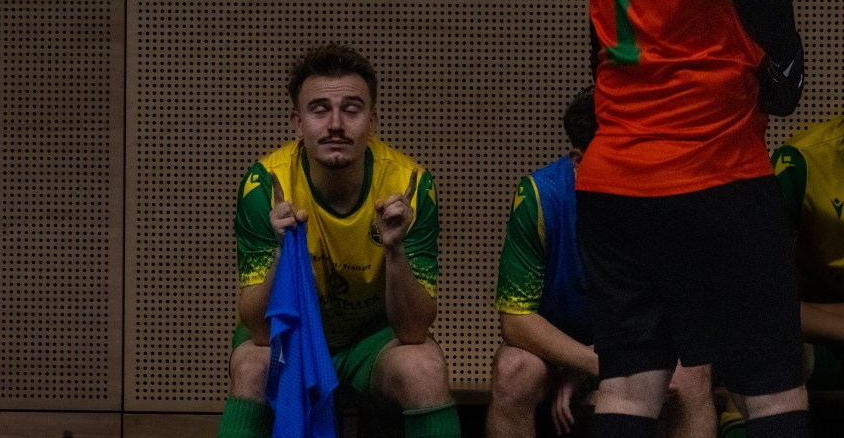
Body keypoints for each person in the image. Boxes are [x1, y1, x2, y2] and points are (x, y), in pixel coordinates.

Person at [578, 0, 810, 436]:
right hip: (716, 172)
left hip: (614, 185)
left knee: (628, 388)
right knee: (771, 387)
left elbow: (601, 45)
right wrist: (788, 63)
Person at [216, 43, 461, 438]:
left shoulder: (409, 185)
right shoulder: (266, 184)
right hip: (292, 334)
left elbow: (413, 331)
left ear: (372, 121)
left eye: (351, 109)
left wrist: (395, 249)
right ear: (298, 123)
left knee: (424, 367)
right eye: (319, 110)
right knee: (251, 364)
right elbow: (260, 330)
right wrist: (281, 249)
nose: (335, 124)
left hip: (371, 342)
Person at [486, 86, 716, 437]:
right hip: (560, 350)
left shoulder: (668, 192)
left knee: (693, 373)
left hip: (641, 339)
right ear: (578, 160)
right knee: (513, 370)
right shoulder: (541, 196)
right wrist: (589, 361)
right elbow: (517, 321)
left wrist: (597, 363)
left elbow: (685, 312)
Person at [721, 113, 844, 437]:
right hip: (809, 334)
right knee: (759, 352)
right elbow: (754, 302)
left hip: (812, 319)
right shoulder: (801, 161)